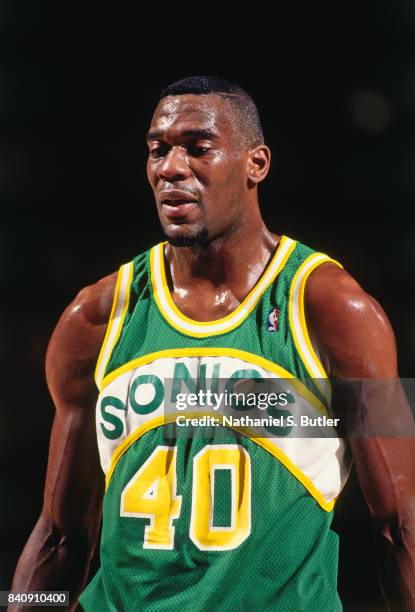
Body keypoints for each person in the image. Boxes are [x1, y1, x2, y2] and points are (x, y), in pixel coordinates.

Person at [10, 76, 415, 611]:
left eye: (198, 148)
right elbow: (60, 535)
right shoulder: (96, 319)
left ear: (257, 164)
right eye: (158, 150)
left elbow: (399, 522)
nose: (171, 169)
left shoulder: (336, 311)